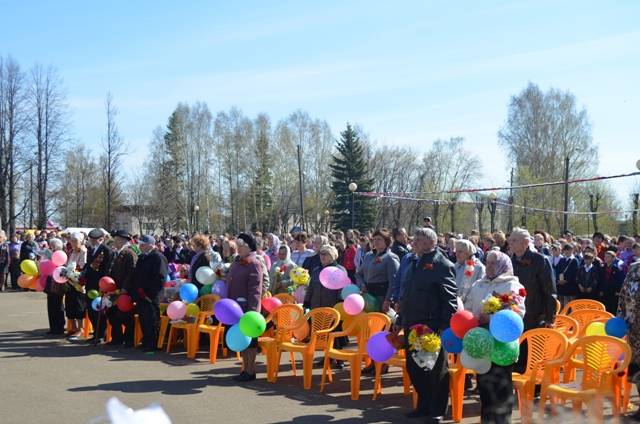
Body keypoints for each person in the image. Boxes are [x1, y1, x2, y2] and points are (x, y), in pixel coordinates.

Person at [398, 227, 457, 423]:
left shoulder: (442, 264)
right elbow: (406, 293)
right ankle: (423, 405)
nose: (413, 243)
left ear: (430, 242)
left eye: (418, 240)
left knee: (435, 370)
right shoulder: (413, 262)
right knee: (414, 367)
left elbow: (450, 300)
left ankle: (437, 410)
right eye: (414, 239)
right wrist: (400, 318)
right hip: (412, 323)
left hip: (431, 326)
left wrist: (441, 327)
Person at [464, 250, 525, 424]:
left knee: (501, 385)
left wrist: (490, 318)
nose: (489, 266)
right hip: (481, 340)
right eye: (488, 262)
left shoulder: (512, 285)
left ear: (503, 265)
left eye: (494, 263)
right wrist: (472, 317)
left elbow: (518, 313)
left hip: (502, 344)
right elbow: (469, 308)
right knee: (484, 383)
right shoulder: (479, 284)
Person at [226, 233, 263, 381]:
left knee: (251, 342)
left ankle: (250, 370)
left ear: (249, 247)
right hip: (235, 309)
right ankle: (245, 369)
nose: (238, 248)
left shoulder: (254, 263)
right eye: (238, 245)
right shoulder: (237, 262)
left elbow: (255, 290)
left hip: (248, 309)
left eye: (241, 245)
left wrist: (252, 312)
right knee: (242, 340)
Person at [131, 235, 167, 353]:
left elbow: (160, 278)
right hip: (141, 294)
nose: (140, 246)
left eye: (143, 244)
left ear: (151, 245)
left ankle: (152, 344)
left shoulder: (158, 257)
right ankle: (146, 341)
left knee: (152, 320)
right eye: (140, 244)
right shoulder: (142, 257)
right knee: (143, 319)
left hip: (152, 295)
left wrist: (150, 293)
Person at [105, 230, 138, 347]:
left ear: (122, 240)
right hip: (114, 289)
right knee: (112, 314)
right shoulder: (116, 253)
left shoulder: (129, 253)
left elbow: (132, 272)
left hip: (125, 290)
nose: (114, 241)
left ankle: (129, 340)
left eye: (116, 239)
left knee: (125, 316)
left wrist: (125, 287)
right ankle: (117, 338)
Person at [617, 261, 640, 421]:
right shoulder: (634, 268)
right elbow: (623, 296)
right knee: (636, 369)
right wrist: (619, 320)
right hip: (633, 332)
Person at [356, 229, 399, 313]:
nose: (376, 241)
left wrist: (388, 300)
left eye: (379, 239)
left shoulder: (390, 258)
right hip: (367, 296)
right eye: (374, 239)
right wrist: (362, 284)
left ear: (387, 241)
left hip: (381, 297)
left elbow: (394, 282)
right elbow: (358, 274)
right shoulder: (368, 255)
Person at [83, 228, 113, 343]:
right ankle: (96, 332)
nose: (92, 241)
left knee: (99, 310)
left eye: (94, 239)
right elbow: (88, 265)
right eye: (91, 239)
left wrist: (103, 285)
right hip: (90, 284)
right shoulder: (91, 249)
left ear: (101, 239)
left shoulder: (106, 250)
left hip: (100, 284)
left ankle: (101, 334)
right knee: (91, 310)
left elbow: (107, 269)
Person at [65, 232, 87, 339]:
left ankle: (80, 329)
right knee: (69, 305)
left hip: (79, 282)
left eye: (75, 241)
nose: (73, 243)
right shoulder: (71, 251)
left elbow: (83, 266)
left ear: (81, 241)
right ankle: (73, 328)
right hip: (69, 281)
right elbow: (67, 264)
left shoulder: (84, 251)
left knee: (78, 306)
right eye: (72, 241)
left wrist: (75, 274)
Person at [44, 239, 66, 336]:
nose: (50, 247)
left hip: (58, 283)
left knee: (58, 305)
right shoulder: (49, 254)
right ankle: (53, 327)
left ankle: (59, 327)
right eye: (50, 245)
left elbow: (63, 268)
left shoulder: (61, 254)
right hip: (50, 281)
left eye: (52, 245)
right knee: (51, 306)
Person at [453, 239, 486, 304]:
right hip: (455, 302)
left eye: (460, 252)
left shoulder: (478, 267)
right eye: (456, 251)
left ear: (468, 253)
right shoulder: (456, 265)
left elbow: (481, 288)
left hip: (470, 304)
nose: (457, 254)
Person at [598, 249, 625, 314]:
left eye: (608, 257)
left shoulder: (617, 269)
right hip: (603, 292)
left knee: (611, 310)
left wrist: (617, 291)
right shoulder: (602, 268)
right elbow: (600, 280)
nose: (605, 258)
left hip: (613, 293)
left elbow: (620, 281)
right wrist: (600, 290)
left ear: (613, 258)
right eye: (605, 256)